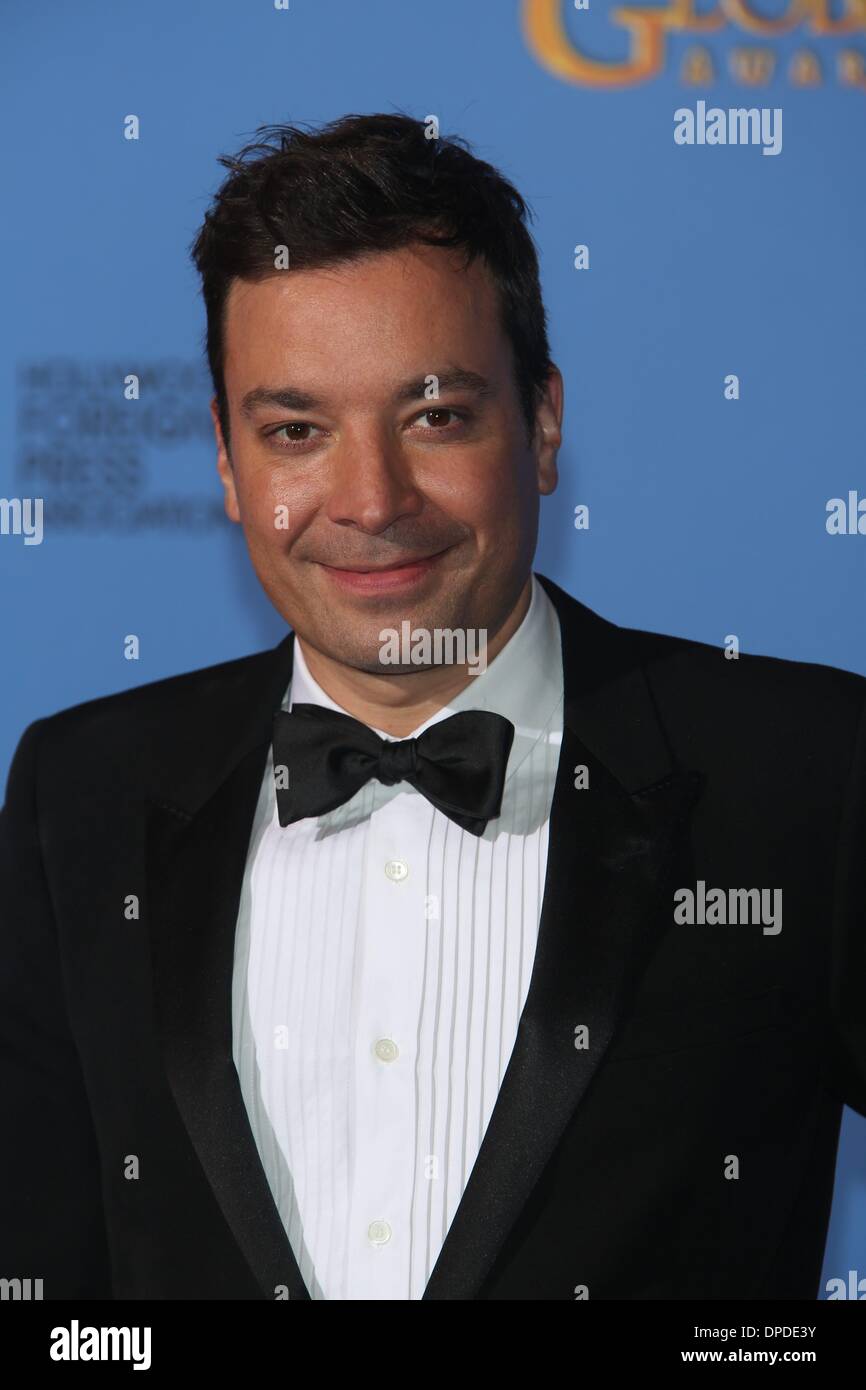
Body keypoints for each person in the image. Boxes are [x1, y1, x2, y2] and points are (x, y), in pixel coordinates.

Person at [1, 113, 864, 1301]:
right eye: (295, 431)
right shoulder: (79, 789)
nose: (369, 498)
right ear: (224, 458)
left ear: (542, 423)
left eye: (434, 416)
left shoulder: (806, 772)